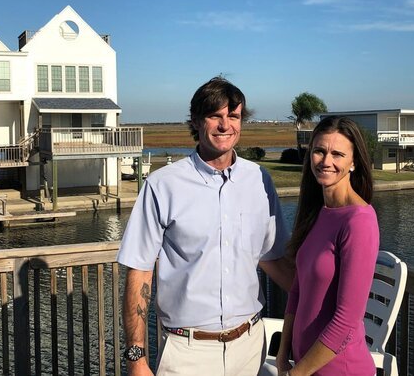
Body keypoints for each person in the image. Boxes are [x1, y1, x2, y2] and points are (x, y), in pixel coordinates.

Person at [117, 76, 293, 376]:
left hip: (250, 346)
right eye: (215, 116)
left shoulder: (259, 180)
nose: (225, 125)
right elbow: (140, 269)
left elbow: (271, 256)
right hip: (187, 353)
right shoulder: (162, 185)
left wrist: (325, 305)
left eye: (233, 116)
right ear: (197, 122)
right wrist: (136, 358)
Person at [276, 116, 379, 376]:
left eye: (338, 154)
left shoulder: (359, 221)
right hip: (304, 365)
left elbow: (347, 319)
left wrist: (297, 374)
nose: (326, 161)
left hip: (339, 369)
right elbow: (298, 291)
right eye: (320, 151)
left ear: (354, 161)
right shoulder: (319, 213)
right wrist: (281, 353)